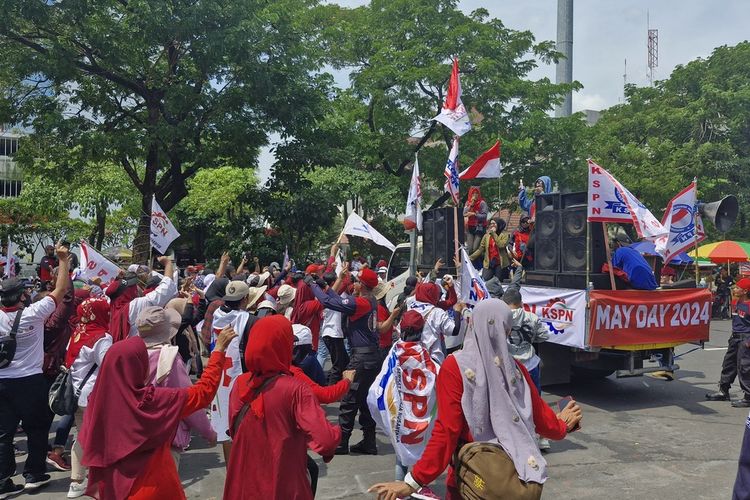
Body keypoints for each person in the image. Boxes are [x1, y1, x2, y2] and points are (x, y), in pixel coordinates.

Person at [368, 299, 582, 500]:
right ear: (506, 330)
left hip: (474, 477)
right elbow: (543, 420)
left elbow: (447, 430)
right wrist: (563, 424)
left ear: (472, 324)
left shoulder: (455, 367)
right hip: (515, 479)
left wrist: (413, 481)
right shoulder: (517, 372)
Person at [78, 324, 234, 499]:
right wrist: (218, 351)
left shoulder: (96, 402)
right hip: (154, 486)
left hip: (115, 489)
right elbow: (203, 393)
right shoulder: (150, 401)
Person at [224, 315, 340, 500]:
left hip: (243, 483)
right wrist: (338, 431)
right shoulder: (296, 389)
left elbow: (234, 429)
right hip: (281, 483)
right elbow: (325, 441)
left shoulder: (240, 383)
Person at [0, 245, 69, 498]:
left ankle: (3, 481)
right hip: (30, 381)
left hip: (2, 382)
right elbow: (60, 291)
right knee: (37, 429)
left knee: (3, 434)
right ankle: (34, 474)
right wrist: (63, 261)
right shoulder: (33, 314)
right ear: (21, 297)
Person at [309, 267, 382, 455]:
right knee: (365, 400)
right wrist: (324, 285)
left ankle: (341, 442)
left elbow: (328, 302)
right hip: (371, 356)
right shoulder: (369, 300)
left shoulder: (360, 303)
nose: (353, 283)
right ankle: (369, 441)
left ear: (362, 285)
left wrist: (312, 285)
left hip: (362, 358)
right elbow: (338, 300)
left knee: (349, 399)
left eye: (356, 281)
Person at [137, 306, 216, 469]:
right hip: (164, 435)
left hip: (136, 434)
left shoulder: (131, 354)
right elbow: (187, 400)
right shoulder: (168, 358)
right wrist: (208, 431)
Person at [64, 298, 113, 499]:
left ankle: (76, 481)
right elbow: (109, 367)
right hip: (95, 396)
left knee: (82, 436)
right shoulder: (101, 337)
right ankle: (99, 482)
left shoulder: (77, 333)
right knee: (100, 439)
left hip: (76, 394)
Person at [502, 282, 552, 451]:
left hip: (510, 365)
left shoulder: (501, 318)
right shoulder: (532, 318)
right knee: (535, 401)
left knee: (511, 401)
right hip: (530, 364)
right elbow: (544, 336)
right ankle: (541, 437)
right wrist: (530, 341)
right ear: (521, 303)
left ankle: (515, 438)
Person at [106, 256, 177, 341]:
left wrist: (119, 279)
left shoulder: (112, 306)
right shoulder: (133, 307)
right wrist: (168, 263)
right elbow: (165, 289)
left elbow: (111, 290)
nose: (136, 287)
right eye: (132, 285)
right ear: (127, 291)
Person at [707, 278, 750, 407]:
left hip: (745, 339)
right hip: (735, 338)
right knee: (728, 364)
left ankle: (748, 397)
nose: (734, 289)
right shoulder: (736, 303)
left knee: (744, 368)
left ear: (745, 291)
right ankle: (723, 391)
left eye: (737, 288)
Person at [464, 186, 489, 254]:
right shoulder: (468, 203)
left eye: (476, 193)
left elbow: (484, 216)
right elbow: (464, 213)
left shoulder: (482, 203)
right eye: (473, 193)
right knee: (470, 249)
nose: (475, 195)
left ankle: (477, 262)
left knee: (475, 248)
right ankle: (472, 263)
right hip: (470, 227)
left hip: (479, 227)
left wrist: (474, 214)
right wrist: (471, 204)